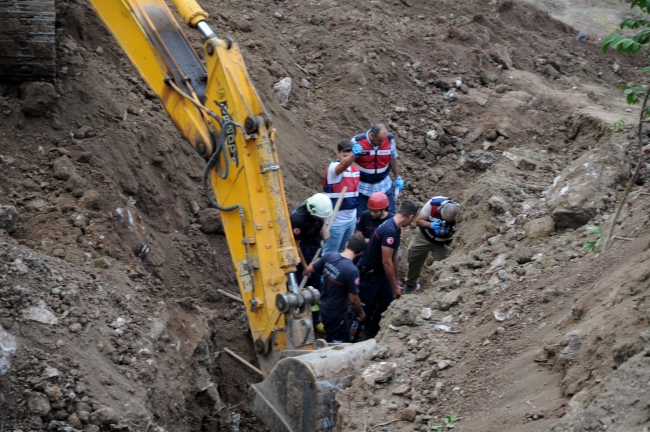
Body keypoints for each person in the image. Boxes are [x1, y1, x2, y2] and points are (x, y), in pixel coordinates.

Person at [355, 200, 419, 339]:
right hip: (369, 275)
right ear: (410, 217)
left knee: (386, 302)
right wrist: (394, 287)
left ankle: (372, 335)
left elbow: (394, 255)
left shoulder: (395, 226)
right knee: (362, 311)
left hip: (379, 275)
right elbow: (386, 261)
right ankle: (349, 341)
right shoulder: (390, 231)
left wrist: (396, 280)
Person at [306, 234, 367, 343]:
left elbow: (309, 269)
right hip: (336, 314)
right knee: (337, 342)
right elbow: (354, 299)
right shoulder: (352, 271)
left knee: (331, 333)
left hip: (324, 307)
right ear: (360, 253)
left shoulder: (330, 256)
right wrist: (361, 313)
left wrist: (318, 260)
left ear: (346, 244)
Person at [404, 197, 459, 294]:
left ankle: (436, 290)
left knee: (443, 268)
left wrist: (447, 233)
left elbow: (457, 233)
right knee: (413, 257)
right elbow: (418, 221)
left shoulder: (459, 213)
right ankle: (410, 284)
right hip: (423, 235)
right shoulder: (433, 204)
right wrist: (431, 225)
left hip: (442, 243)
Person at [351, 123, 404, 214]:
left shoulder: (389, 140)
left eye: (384, 140)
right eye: (380, 140)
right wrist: (352, 155)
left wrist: (397, 177)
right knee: (362, 217)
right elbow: (347, 162)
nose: (383, 143)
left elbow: (393, 158)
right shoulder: (357, 141)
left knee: (390, 214)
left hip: (383, 184)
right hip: (362, 187)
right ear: (372, 135)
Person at [322, 140, 360, 254]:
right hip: (336, 221)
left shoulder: (355, 170)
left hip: (350, 219)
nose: (347, 159)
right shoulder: (333, 168)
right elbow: (343, 165)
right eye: (344, 156)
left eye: (349, 156)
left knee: (343, 252)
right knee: (330, 254)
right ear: (337, 153)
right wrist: (353, 155)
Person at [290, 193, 332, 289]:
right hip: (303, 250)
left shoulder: (316, 204)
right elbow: (296, 246)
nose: (321, 218)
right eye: (318, 216)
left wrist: (324, 229)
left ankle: (316, 292)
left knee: (316, 274)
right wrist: (305, 267)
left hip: (315, 243)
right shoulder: (298, 221)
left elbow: (323, 216)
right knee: (301, 278)